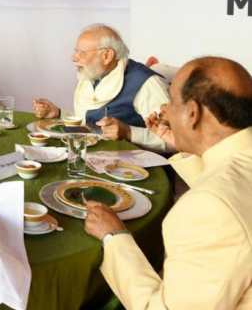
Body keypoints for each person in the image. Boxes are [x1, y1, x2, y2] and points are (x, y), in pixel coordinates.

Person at [84, 57, 252, 309]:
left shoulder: (208, 207)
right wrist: (184, 145)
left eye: (172, 101)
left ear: (193, 113)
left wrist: (114, 236)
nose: (164, 110)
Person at [32, 24, 170, 151]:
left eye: (82, 53)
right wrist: (59, 114)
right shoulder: (95, 75)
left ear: (107, 56)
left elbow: (177, 141)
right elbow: (91, 125)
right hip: (98, 158)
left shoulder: (147, 83)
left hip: (140, 169)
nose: (74, 58)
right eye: (76, 51)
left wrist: (129, 132)